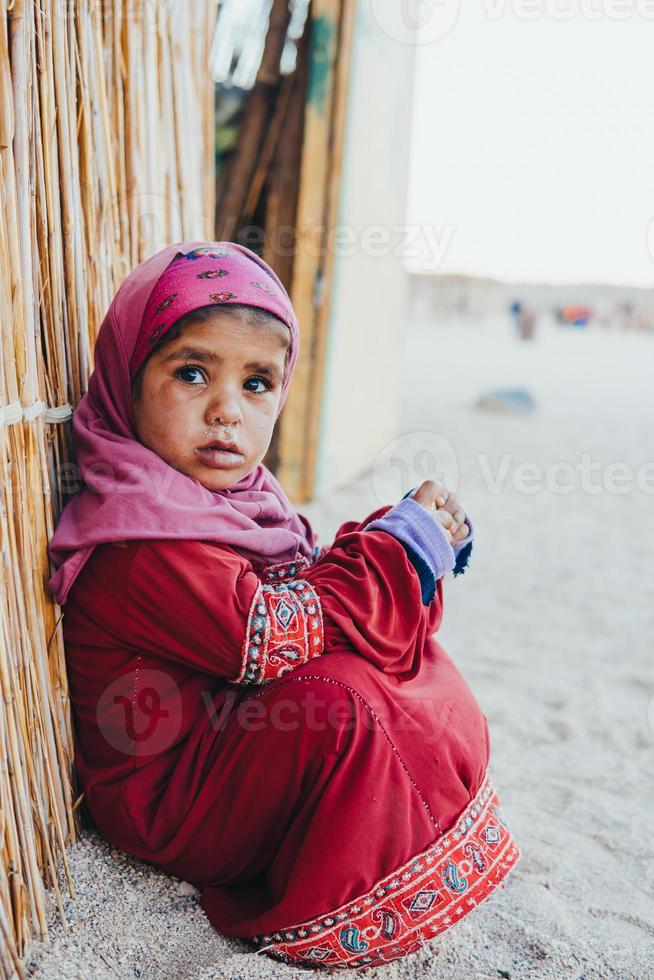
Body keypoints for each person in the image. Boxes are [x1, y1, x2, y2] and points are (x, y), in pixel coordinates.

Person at [47, 241, 520, 970]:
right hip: (172, 797)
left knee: (395, 653)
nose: (226, 411)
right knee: (343, 701)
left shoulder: (237, 504)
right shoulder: (137, 539)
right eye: (192, 373)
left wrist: (402, 540)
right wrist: (395, 550)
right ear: (125, 380)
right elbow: (268, 633)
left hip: (231, 738)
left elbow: (308, 581)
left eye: (259, 382)